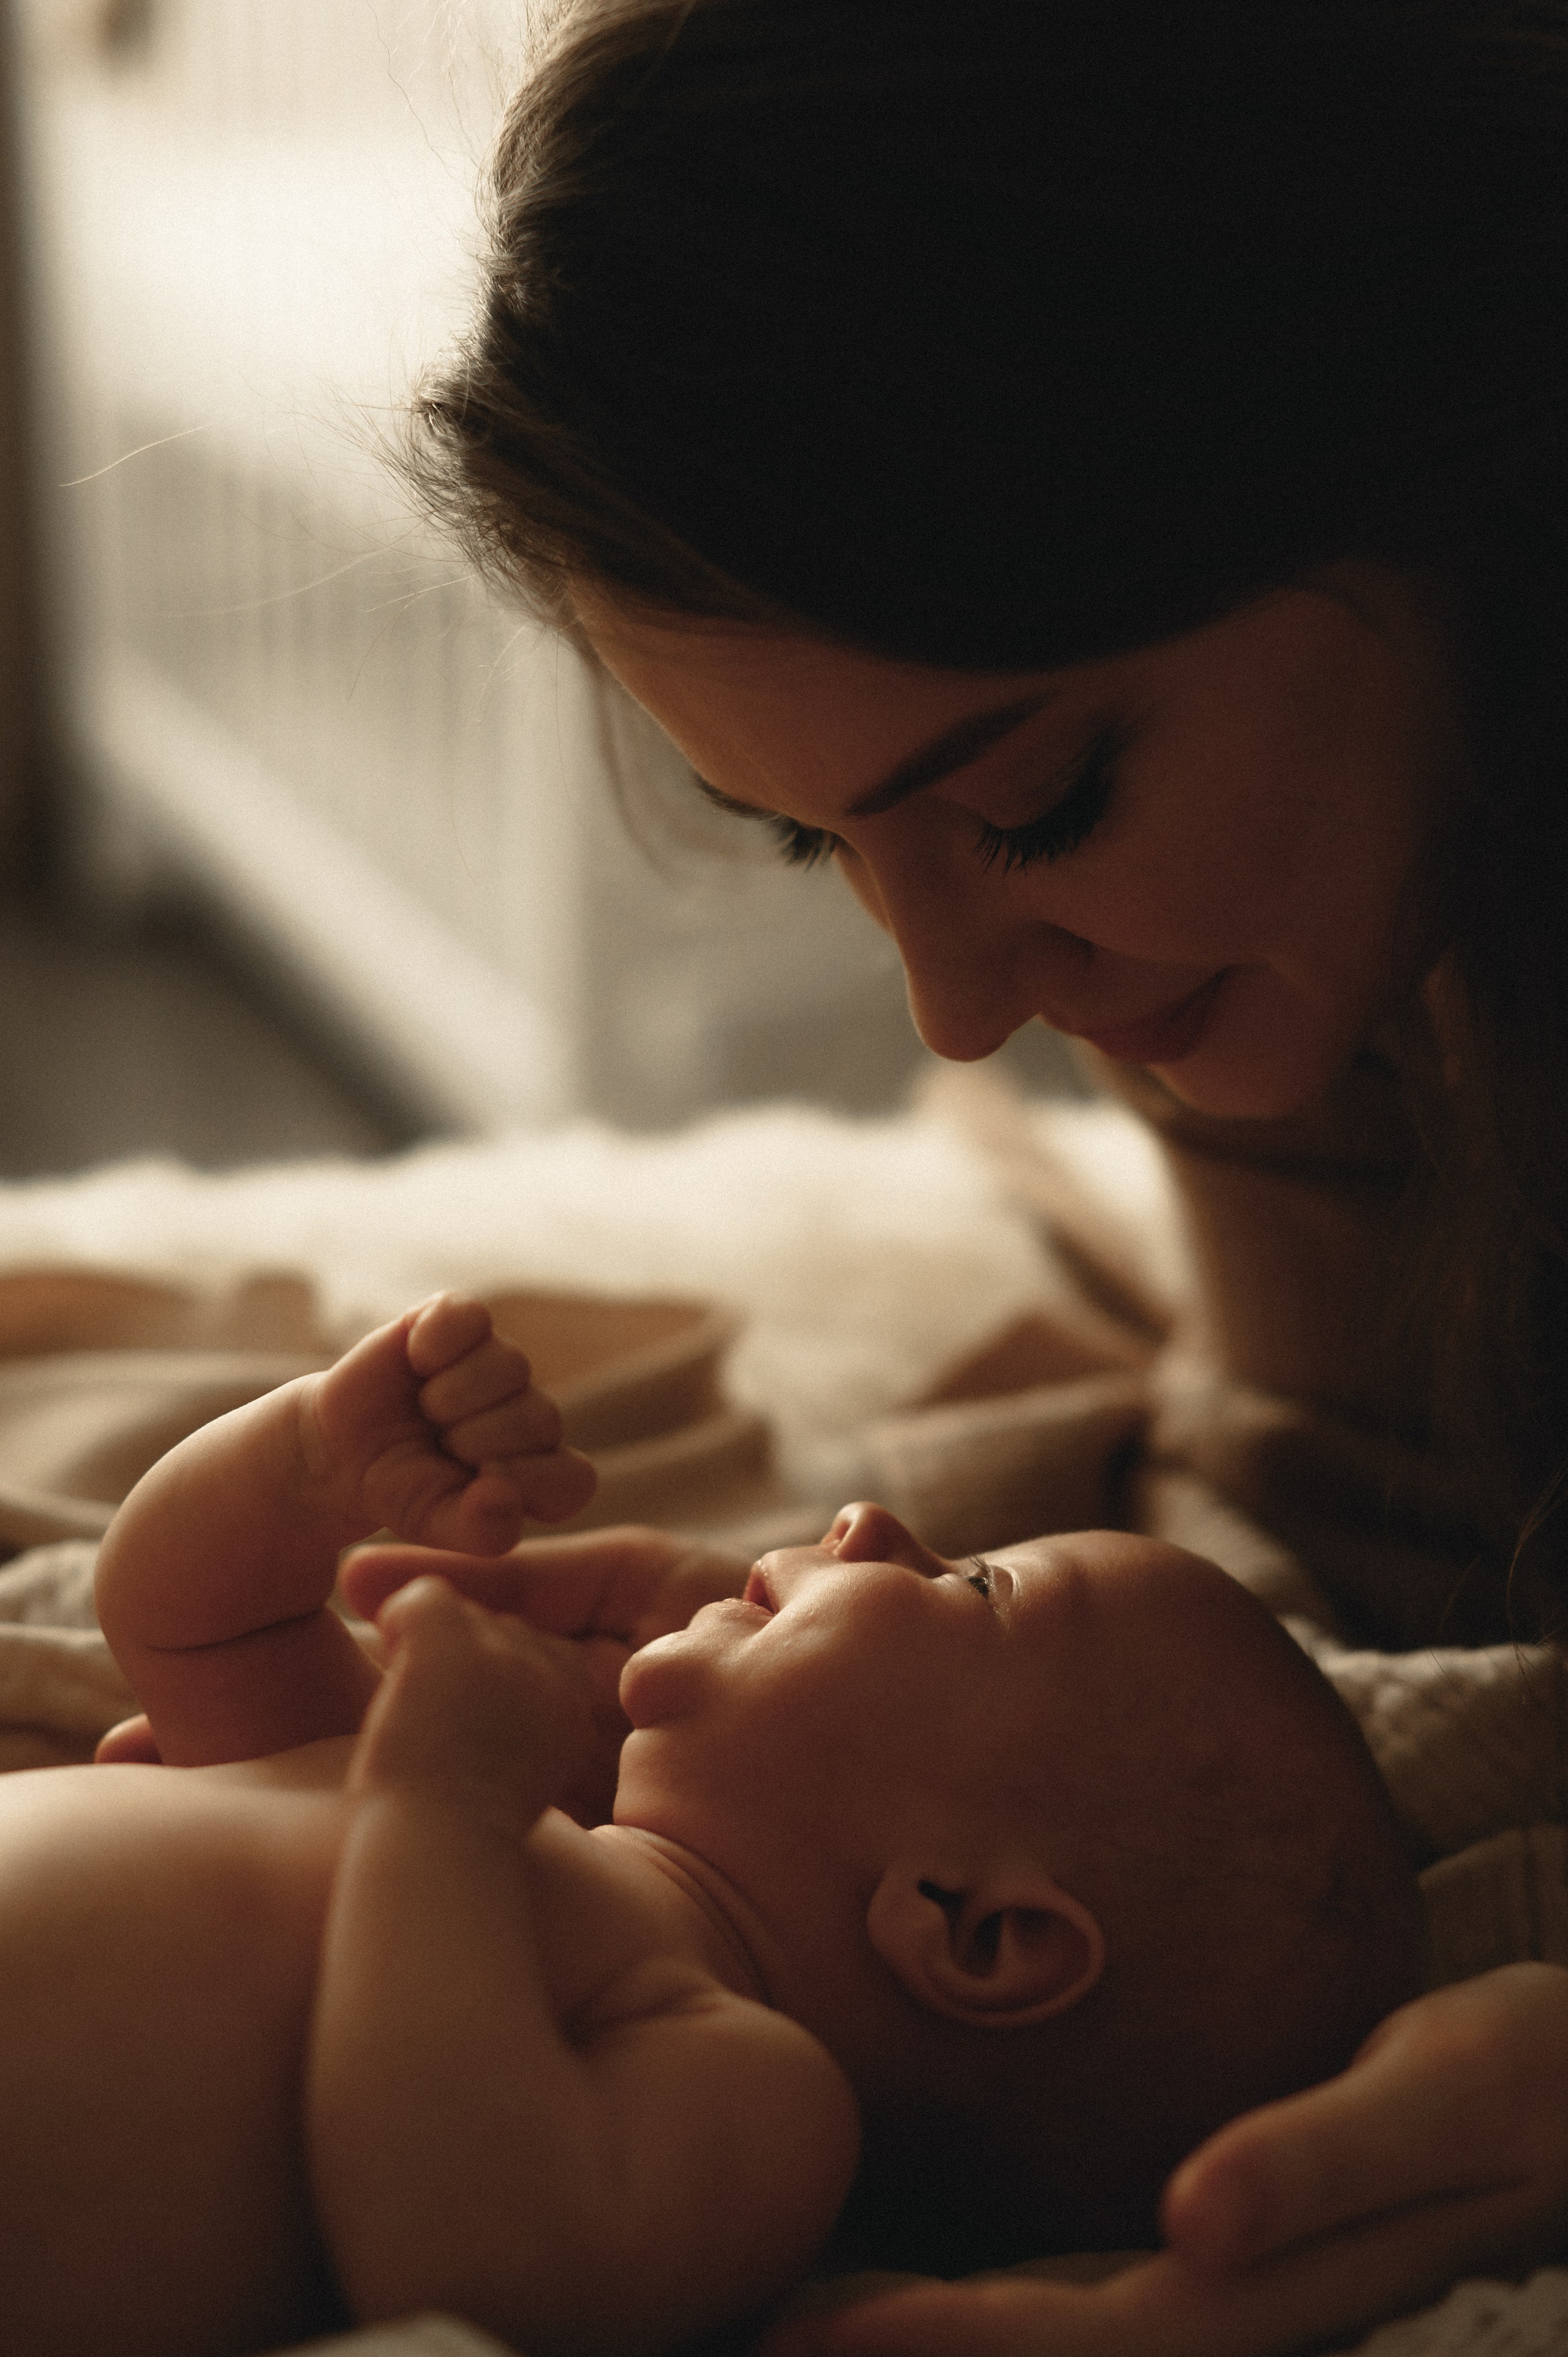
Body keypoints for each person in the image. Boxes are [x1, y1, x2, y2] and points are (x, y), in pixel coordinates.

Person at [397, 1, 1568, 2347]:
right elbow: (1348, 1528)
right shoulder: (1330, 951)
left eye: (1038, 805)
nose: (958, 1005)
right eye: (816, 836)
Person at [0, 1294, 1417, 2357]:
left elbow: (466, 2263)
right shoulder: (512, 1820)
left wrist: (437, 1804)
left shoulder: (746, 2089)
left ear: (967, 1926)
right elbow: (189, 1624)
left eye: (972, 1585)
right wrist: (312, 1460)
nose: (866, 1521)